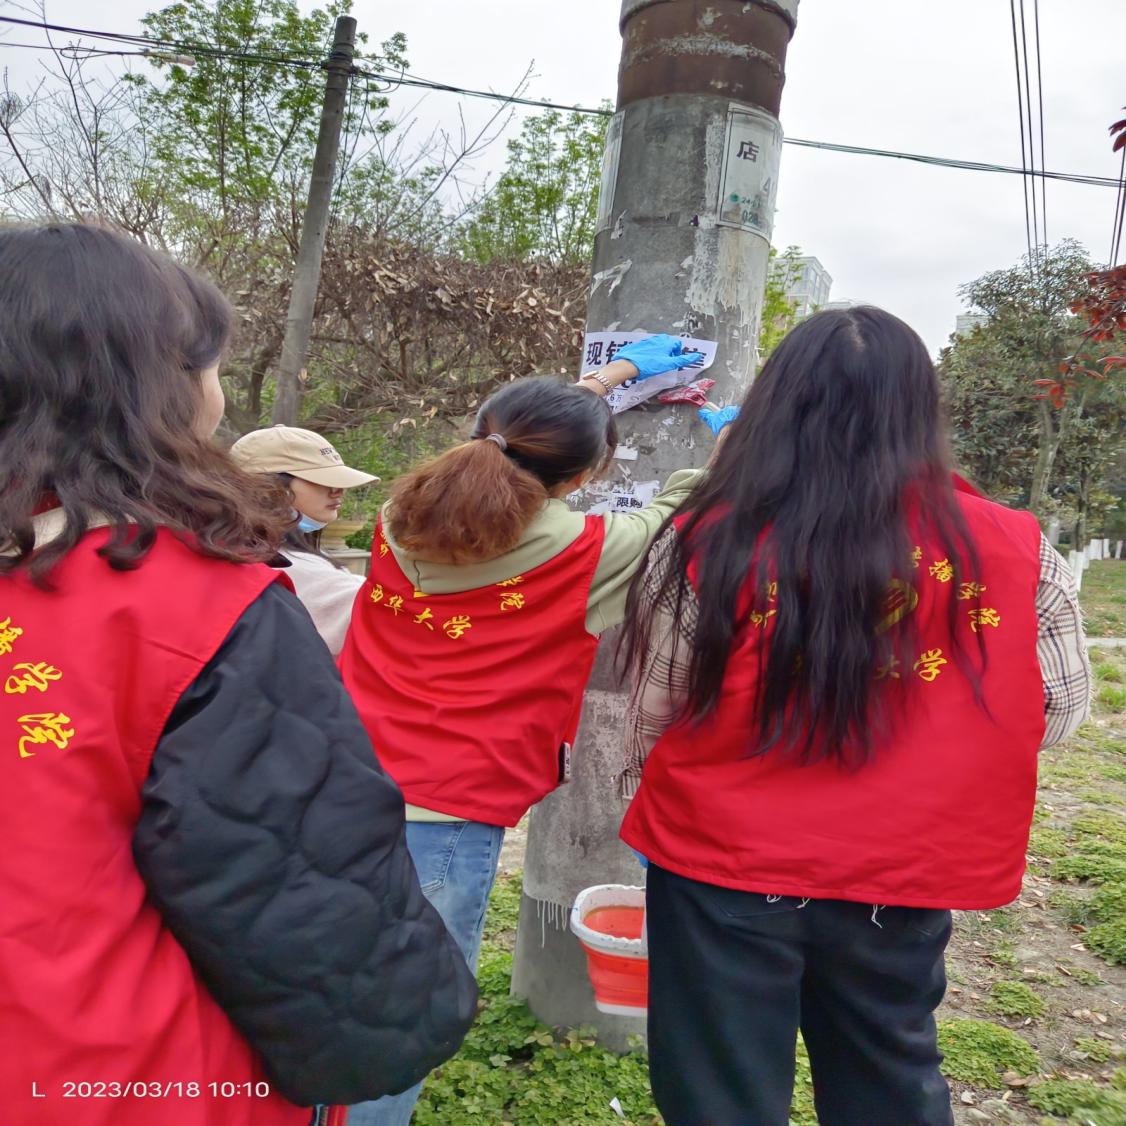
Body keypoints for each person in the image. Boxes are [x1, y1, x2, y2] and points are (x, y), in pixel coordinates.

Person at [0, 223, 477, 1126]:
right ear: (160, 389)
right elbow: (304, 903)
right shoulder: (198, 604)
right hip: (126, 1078)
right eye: (210, 365)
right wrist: (404, 1021)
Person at [617, 306, 1091, 1126]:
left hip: (723, 861)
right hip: (903, 865)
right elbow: (1054, 712)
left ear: (776, 404)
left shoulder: (709, 538)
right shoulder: (1014, 547)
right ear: (919, 409)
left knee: (717, 1091)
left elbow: (659, 706)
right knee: (887, 1073)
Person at [338, 336, 729, 1125]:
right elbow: (678, 512)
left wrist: (608, 380)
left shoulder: (395, 516)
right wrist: (730, 444)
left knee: (333, 985)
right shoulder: (583, 553)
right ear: (582, 480)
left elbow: (509, 441)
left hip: (335, 783)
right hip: (445, 814)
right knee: (404, 1011)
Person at [230, 425, 376, 655]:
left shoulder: (227, 547)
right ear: (268, 487)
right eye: (321, 479)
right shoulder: (284, 565)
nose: (338, 490)